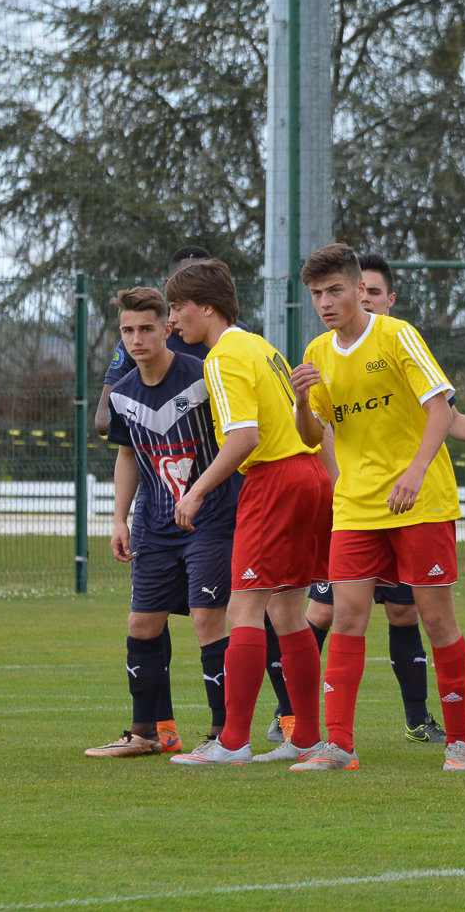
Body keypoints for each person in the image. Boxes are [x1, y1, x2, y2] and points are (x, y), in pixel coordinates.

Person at [275, 254, 465, 749]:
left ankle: (458, 743)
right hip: (356, 506)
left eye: (334, 290)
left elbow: (440, 409)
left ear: (360, 290)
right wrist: (302, 402)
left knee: (435, 620)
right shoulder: (317, 351)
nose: (325, 302)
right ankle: (338, 745)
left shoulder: (398, 336)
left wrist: (415, 471)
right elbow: (311, 436)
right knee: (346, 618)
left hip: (420, 503)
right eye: (316, 294)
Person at [163, 259, 331, 766]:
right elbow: (303, 425)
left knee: (243, 610)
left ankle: (232, 741)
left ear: (206, 307)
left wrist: (195, 492)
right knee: (287, 611)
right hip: (309, 475)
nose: (172, 320)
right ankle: (306, 736)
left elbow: (245, 437)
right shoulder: (260, 345)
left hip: (274, 481)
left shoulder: (223, 356)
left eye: (177, 307)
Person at [84, 287, 236, 758]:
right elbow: (128, 456)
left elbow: (236, 439)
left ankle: (224, 735)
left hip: (211, 519)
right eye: (127, 330)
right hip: (154, 524)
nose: (136, 339)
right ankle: (145, 733)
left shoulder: (203, 376)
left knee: (208, 619)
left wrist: (201, 493)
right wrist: (119, 519)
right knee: (142, 622)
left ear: (166, 329)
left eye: (146, 329)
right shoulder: (123, 393)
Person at [95, 246, 213, 437]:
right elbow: (103, 420)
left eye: (202, 284)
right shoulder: (139, 341)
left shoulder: (233, 336)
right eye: (184, 283)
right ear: (168, 285)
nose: (193, 292)